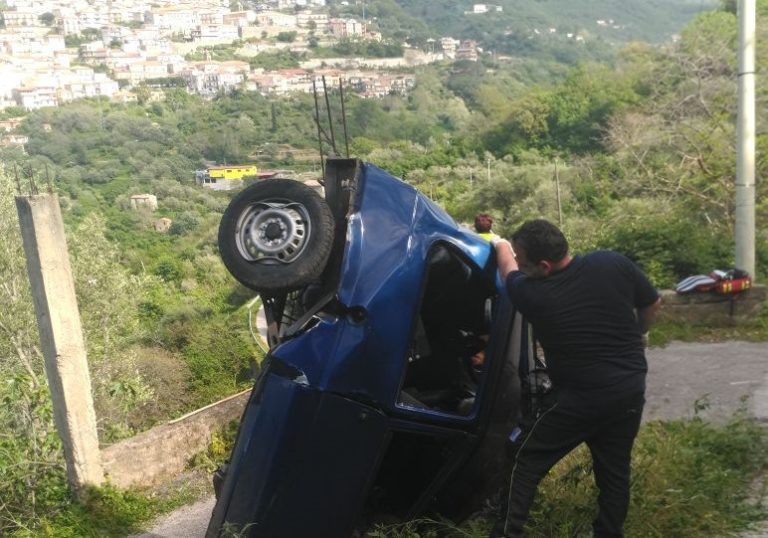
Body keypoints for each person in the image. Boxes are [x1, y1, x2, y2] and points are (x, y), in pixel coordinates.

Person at [489, 219, 661, 538]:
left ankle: (507, 533)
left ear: (544, 265)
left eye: (527, 265)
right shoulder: (613, 262)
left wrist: (500, 244)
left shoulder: (534, 294)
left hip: (578, 400)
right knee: (614, 473)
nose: (523, 270)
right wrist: (636, 335)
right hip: (628, 391)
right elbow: (652, 303)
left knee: (524, 456)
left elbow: (506, 269)